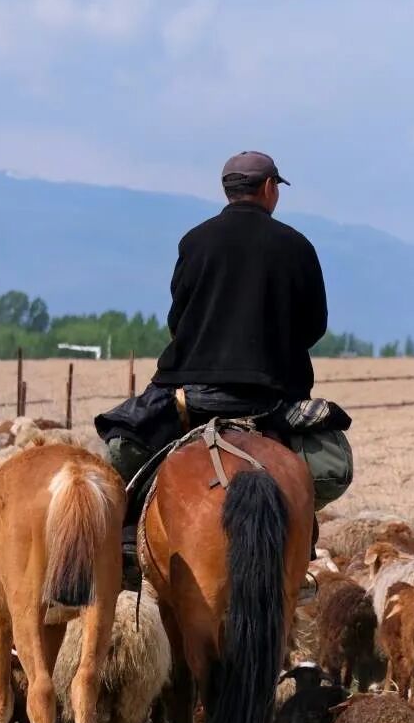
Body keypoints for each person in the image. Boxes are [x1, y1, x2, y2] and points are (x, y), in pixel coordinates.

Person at [95, 151, 351, 519]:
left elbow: (178, 320)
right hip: (272, 401)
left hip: (191, 398)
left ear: (227, 190)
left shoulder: (194, 241)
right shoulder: (297, 246)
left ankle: (126, 533)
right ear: (269, 187)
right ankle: (299, 525)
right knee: (333, 469)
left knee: (120, 457)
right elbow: (313, 326)